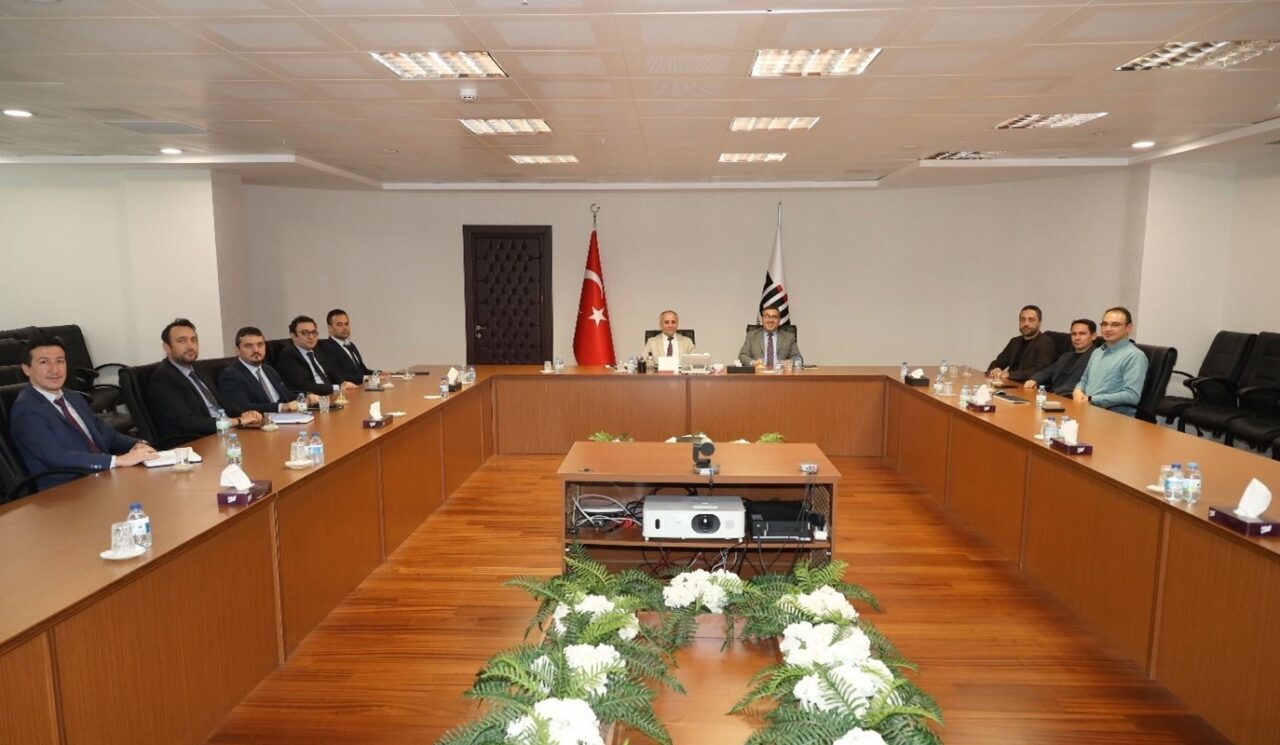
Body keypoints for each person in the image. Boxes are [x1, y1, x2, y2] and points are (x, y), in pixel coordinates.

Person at [9, 335, 156, 490]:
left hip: (101, 478)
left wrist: (138, 444)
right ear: (26, 369)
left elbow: (107, 434)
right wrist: (117, 461)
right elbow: (55, 456)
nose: (55, 369)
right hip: (67, 489)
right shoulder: (26, 409)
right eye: (44, 362)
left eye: (60, 361)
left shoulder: (73, 397)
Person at [146, 318, 262, 446]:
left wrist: (244, 413)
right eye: (182, 341)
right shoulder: (162, 379)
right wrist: (237, 420)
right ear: (167, 347)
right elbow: (187, 422)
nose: (190, 346)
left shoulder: (200, 369)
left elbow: (221, 404)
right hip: (197, 442)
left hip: (224, 434)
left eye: (194, 340)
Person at [219, 326, 317, 415]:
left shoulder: (269, 370)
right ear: (237, 350)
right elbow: (241, 406)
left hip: (285, 419)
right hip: (262, 424)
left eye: (260, 345)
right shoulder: (231, 375)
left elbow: (287, 395)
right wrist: (281, 407)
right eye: (249, 346)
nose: (256, 350)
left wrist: (305, 397)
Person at [1073, 307, 1148, 417]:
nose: (1107, 329)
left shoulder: (1135, 356)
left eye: (1115, 325)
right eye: (1104, 324)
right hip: (1088, 411)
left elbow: (1132, 396)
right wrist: (1077, 391)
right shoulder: (1097, 352)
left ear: (1128, 328)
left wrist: (1092, 399)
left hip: (1114, 417)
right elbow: (1084, 380)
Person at [277, 315, 360, 396]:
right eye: (305, 333)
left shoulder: (317, 350)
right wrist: (337, 387)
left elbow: (330, 371)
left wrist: (343, 383)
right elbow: (306, 385)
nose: (311, 337)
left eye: (313, 332)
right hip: (313, 399)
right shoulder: (289, 356)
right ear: (293, 336)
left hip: (330, 395)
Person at [1023, 319, 1098, 396]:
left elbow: (1083, 383)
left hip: (1068, 397)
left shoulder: (1097, 357)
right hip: (1051, 395)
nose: (1077, 338)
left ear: (1093, 336)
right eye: (1073, 334)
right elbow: (1048, 372)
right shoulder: (1066, 356)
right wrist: (1034, 379)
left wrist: (1055, 393)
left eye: (1082, 334)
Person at [987, 305, 1056, 383]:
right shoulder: (1015, 341)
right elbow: (997, 362)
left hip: (1027, 387)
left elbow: (1040, 370)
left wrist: (1009, 375)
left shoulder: (1045, 343)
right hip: (1008, 384)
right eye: (1022, 319)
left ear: (1039, 322)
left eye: (1031, 320)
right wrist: (995, 370)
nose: (1026, 323)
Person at [317, 308, 373, 385]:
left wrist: (378, 373)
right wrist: (365, 378)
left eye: (346, 324)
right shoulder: (326, 347)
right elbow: (337, 376)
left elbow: (363, 370)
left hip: (360, 387)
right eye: (339, 325)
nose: (345, 328)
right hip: (346, 390)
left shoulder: (351, 345)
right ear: (330, 328)